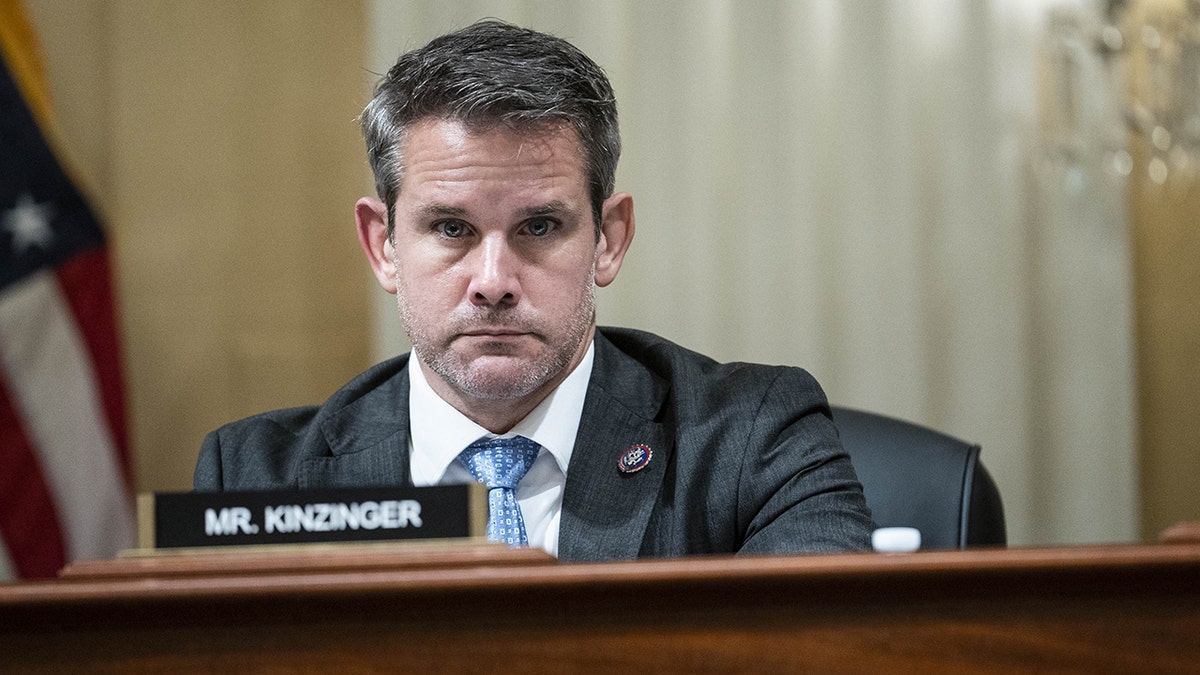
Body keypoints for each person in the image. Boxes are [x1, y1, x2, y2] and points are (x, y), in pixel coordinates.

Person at [194, 19, 874, 561]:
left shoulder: (753, 440)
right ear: (384, 245)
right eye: (452, 226)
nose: (493, 282)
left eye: (540, 225)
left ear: (608, 238)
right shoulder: (256, 478)